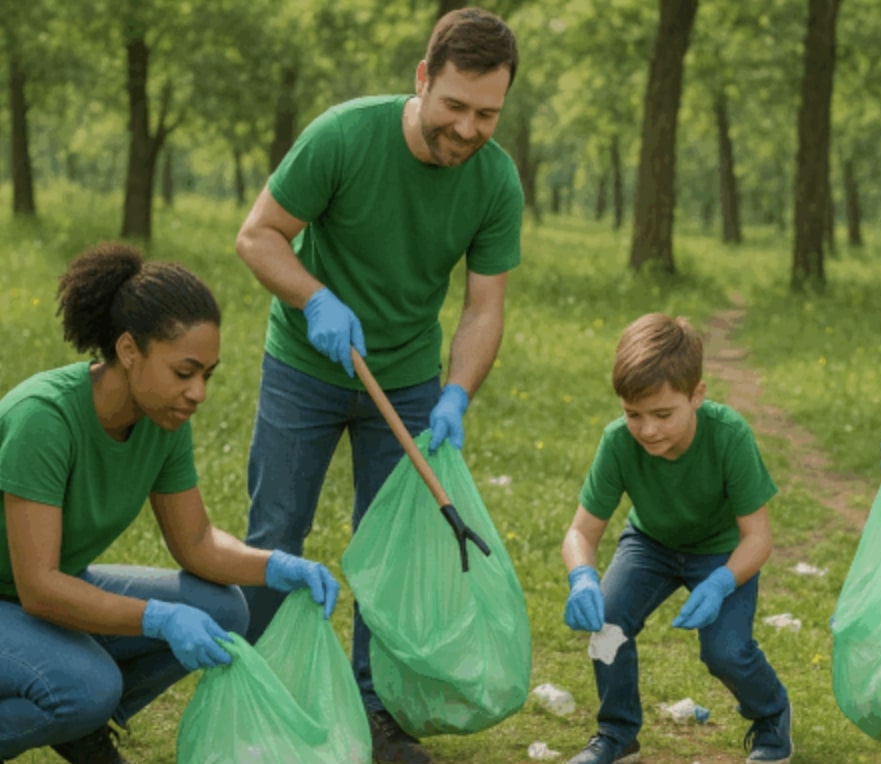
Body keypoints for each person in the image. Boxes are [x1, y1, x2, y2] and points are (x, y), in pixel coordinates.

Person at [232, 7, 521, 763]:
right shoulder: (343, 136)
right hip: (304, 365)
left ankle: (373, 712)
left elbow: (483, 308)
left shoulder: (495, 180)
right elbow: (258, 234)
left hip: (408, 380)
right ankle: (260, 694)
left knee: (393, 552)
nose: (467, 129)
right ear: (423, 80)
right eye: (454, 106)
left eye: (487, 113)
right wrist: (314, 298)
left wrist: (456, 391)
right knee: (275, 534)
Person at [0, 243, 339, 764]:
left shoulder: (161, 420)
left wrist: (276, 566)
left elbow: (197, 542)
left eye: (208, 374)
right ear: (130, 350)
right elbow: (40, 588)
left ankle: (81, 727)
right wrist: (157, 618)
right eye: (185, 373)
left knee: (224, 609)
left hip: (34, 595)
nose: (198, 392)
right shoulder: (43, 420)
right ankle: (76, 704)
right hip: (26, 594)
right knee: (88, 686)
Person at [560, 313, 793, 764]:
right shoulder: (617, 443)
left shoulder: (729, 436)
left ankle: (771, 715)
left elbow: (758, 539)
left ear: (697, 395)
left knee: (725, 652)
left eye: (663, 414)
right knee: (606, 622)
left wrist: (722, 582)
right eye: (633, 414)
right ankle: (617, 734)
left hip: (724, 552)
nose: (647, 430)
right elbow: (580, 532)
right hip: (650, 544)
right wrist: (583, 577)